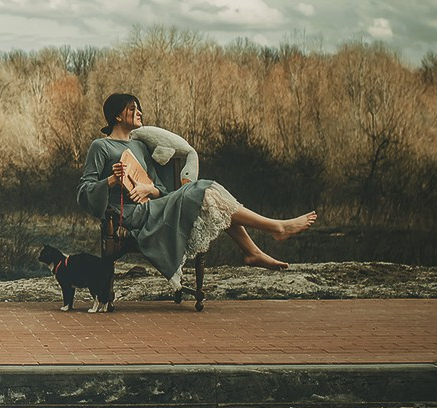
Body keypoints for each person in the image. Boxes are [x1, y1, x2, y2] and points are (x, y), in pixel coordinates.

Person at [76, 92, 315, 288]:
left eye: (139, 108)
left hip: (154, 207)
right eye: (132, 109)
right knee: (206, 191)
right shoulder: (101, 146)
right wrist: (111, 180)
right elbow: (84, 191)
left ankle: (253, 249)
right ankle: (275, 229)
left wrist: (148, 189)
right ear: (117, 115)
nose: (139, 113)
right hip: (128, 215)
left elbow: (160, 188)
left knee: (211, 195)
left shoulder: (140, 146)